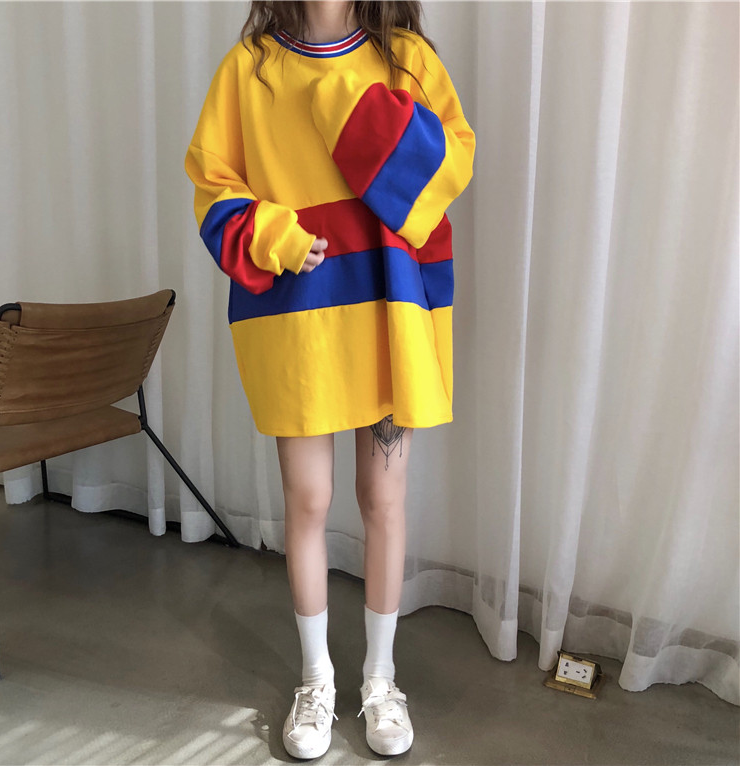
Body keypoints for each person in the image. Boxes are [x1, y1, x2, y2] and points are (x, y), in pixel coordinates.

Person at [185, 0, 475, 758]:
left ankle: (381, 679)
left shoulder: (404, 57)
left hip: (387, 313)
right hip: (299, 320)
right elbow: (213, 186)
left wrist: (352, 111)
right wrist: (274, 234)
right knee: (308, 501)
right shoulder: (249, 69)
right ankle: (316, 680)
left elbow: (453, 161)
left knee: (383, 499)